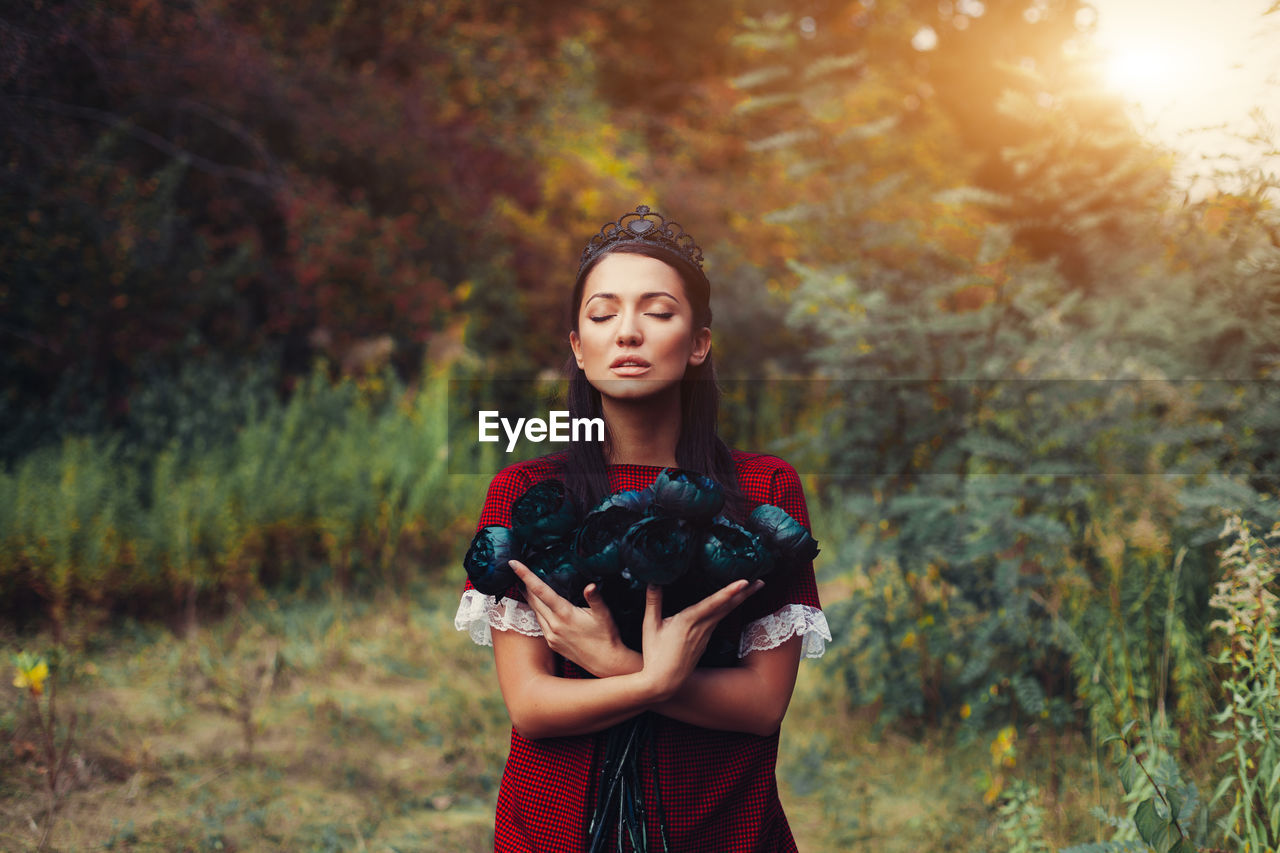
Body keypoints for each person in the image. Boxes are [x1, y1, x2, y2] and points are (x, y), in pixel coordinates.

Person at [454, 204, 831, 852]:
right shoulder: (523, 491)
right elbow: (532, 706)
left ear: (699, 341)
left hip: (720, 825)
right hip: (555, 829)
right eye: (602, 314)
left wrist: (615, 665)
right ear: (577, 344)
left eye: (657, 312)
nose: (627, 333)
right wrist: (652, 679)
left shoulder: (765, 488)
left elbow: (763, 703)